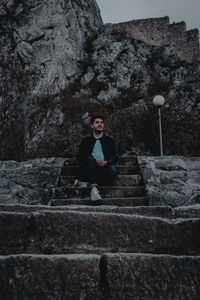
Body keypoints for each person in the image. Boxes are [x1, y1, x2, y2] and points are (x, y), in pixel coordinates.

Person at [77, 115, 118, 201]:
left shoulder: (110, 140)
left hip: (104, 167)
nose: (100, 124)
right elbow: (80, 156)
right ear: (92, 126)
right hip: (90, 167)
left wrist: (107, 161)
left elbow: (115, 156)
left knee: (113, 170)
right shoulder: (86, 140)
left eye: (101, 122)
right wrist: (93, 160)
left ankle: (88, 183)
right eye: (97, 122)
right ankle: (94, 189)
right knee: (91, 160)